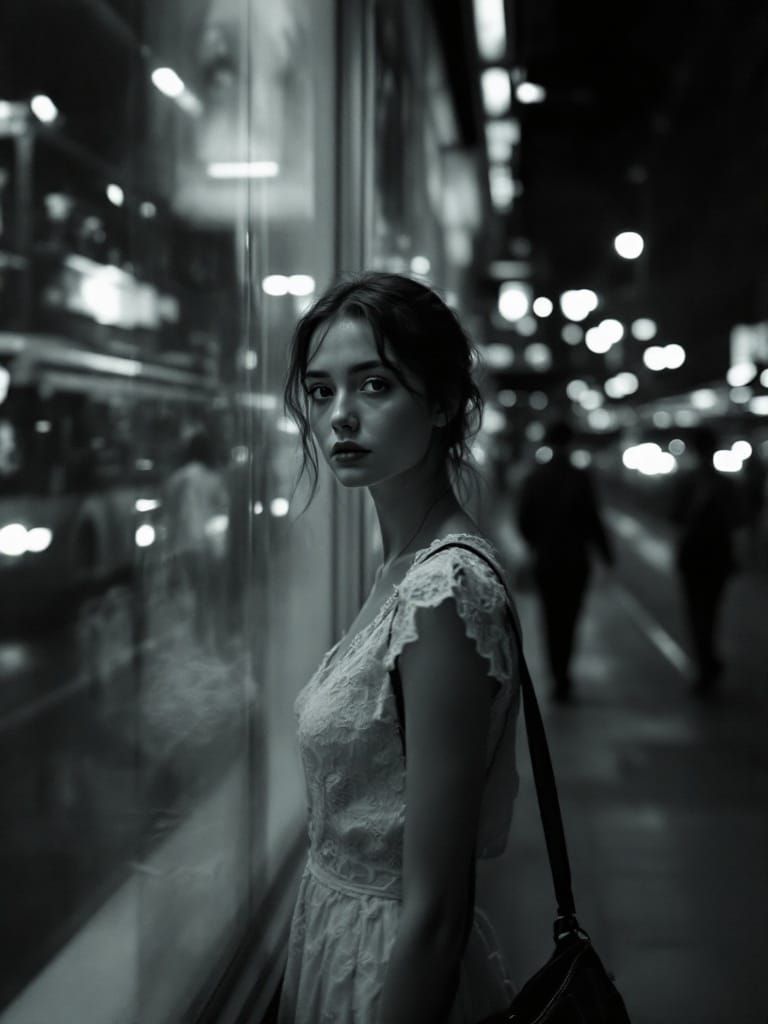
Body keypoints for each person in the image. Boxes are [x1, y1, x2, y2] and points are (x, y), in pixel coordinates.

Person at [279, 272, 522, 1023]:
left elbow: (440, 908)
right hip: (342, 948)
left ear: (444, 403)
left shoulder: (443, 591)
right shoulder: (401, 567)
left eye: (374, 385)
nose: (340, 417)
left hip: (387, 973)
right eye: (320, 392)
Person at [517, 420, 613, 702]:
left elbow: (523, 521)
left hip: (547, 559)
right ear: (571, 442)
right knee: (570, 617)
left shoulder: (535, 477)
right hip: (575, 560)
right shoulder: (580, 477)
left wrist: (538, 541)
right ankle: (564, 673)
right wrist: (606, 555)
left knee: (550, 617)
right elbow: (593, 519)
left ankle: (555, 672)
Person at [672, 424, 736, 696]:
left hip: (693, 556)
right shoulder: (726, 484)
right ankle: (708, 659)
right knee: (711, 611)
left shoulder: (685, 482)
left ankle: (705, 662)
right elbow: (738, 520)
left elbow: (674, 516)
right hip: (718, 557)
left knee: (696, 612)